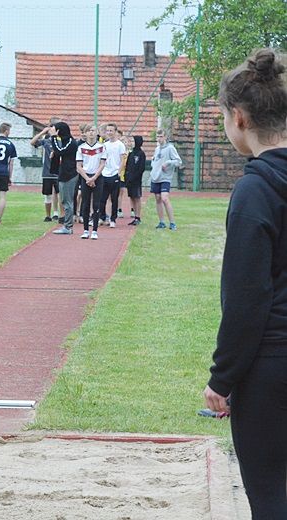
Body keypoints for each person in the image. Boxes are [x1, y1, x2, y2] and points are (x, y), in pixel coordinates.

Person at [204, 48, 287, 520]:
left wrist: (222, 378)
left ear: (238, 118)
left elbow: (247, 297)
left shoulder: (255, 190)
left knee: (271, 495)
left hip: (272, 365)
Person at [76, 122, 107, 239]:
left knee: (96, 204)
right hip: (85, 177)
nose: (91, 133)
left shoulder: (102, 147)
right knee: (85, 203)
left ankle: (94, 230)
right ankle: (85, 230)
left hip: (97, 177)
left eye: (93, 130)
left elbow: (102, 163)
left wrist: (94, 177)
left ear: (97, 132)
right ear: (85, 133)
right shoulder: (81, 148)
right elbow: (79, 166)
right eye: (89, 131)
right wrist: (87, 178)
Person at [49, 122, 78, 235]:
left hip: (69, 174)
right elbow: (58, 152)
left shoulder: (71, 142)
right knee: (64, 200)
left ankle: (68, 226)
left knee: (67, 201)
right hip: (64, 173)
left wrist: (53, 137)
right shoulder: (64, 141)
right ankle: (67, 225)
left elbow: (61, 151)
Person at [150, 129, 182, 230]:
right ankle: (161, 222)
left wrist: (168, 163)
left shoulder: (170, 148)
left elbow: (178, 161)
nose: (159, 139)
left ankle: (172, 223)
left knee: (165, 198)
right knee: (158, 198)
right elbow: (155, 161)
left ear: (165, 137)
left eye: (161, 137)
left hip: (165, 178)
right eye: (157, 137)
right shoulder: (157, 149)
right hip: (156, 177)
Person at [30, 118, 61, 222]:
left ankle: (59, 215)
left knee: (60, 195)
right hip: (47, 172)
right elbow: (33, 142)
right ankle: (48, 216)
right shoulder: (46, 141)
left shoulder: (62, 141)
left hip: (58, 173)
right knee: (47, 195)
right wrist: (42, 132)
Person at [99, 123, 127, 228]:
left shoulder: (120, 145)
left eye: (111, 131)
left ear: (115, 131)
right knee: (102, 198)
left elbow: (123, 160)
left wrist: (119, 172)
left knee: (114, 198)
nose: (109, 133)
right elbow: (102, 159)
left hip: (115, 174)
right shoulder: (105, 145)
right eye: (108, 131)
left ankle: (113, 219)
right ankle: (102, 217)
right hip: (105, 174)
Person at [124, 135, 146, 225]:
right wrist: (127, 176)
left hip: (136, 180)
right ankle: (134, 215)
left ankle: (138, 216)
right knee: (132, 197)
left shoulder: (141, 154)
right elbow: (127, 166)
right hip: (129, 180)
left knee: (137, 197)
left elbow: (141, 168)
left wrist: (134, 177)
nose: (132, 143)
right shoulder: (131, 153)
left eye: (133, 141)